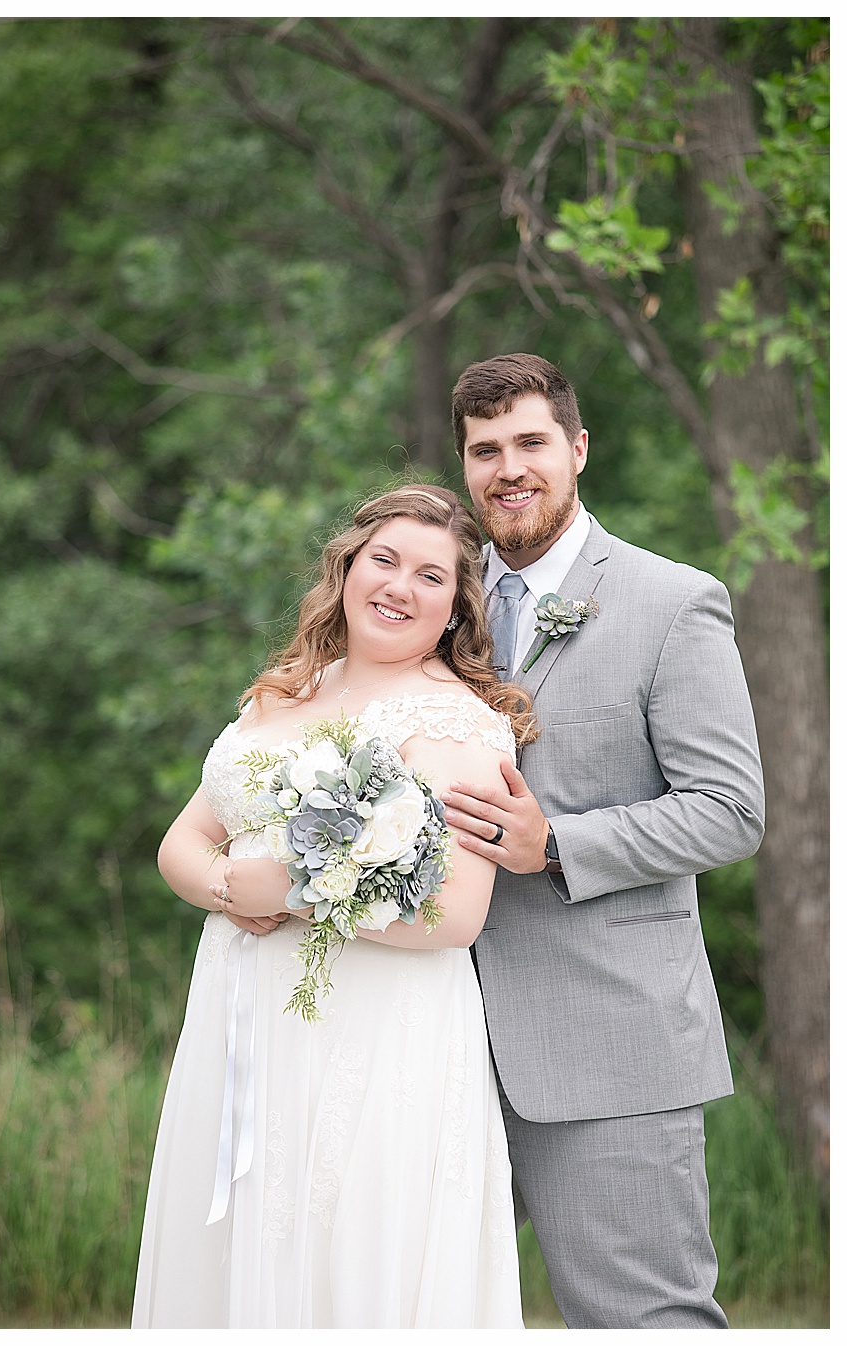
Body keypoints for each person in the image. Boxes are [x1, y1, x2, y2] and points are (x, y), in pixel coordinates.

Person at [135, 483, 530, 1327]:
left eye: (429, 576)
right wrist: (222, 889)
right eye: (383, 560)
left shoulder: (456, 725)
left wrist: (297, 895)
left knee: (348, 1251)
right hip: (244, 1019)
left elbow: (456, 916)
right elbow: (182, 841)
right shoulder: (281, 694)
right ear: (347, 570)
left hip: (374, 1030)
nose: (398, 586)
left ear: (455, 609)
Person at [437, 353, 762, 1328]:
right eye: (484, 450)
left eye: (530, 442)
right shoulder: (430, 607)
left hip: (608, 1045)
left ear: (576, 449)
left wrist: (560, 843)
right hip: (433, 1040)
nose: (509, 468)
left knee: (643, 1322)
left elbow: (732, 806)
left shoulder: (673, 603)